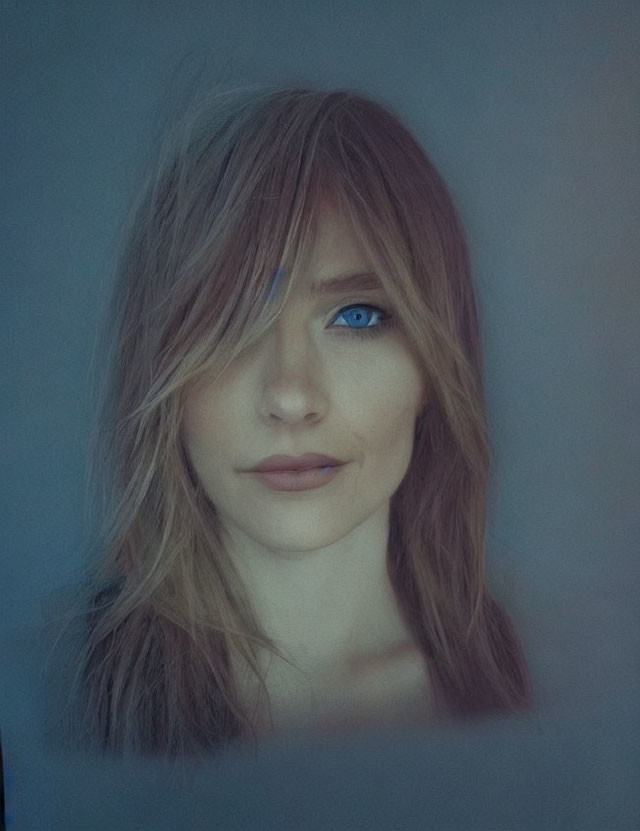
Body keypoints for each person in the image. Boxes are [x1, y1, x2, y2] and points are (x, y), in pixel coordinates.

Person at [59, 85, 532, 757]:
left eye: (357, 316)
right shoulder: (52, 700)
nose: (289, 396)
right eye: (231, 321)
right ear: (160, 371)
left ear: (435, 366)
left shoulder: (524, 691)